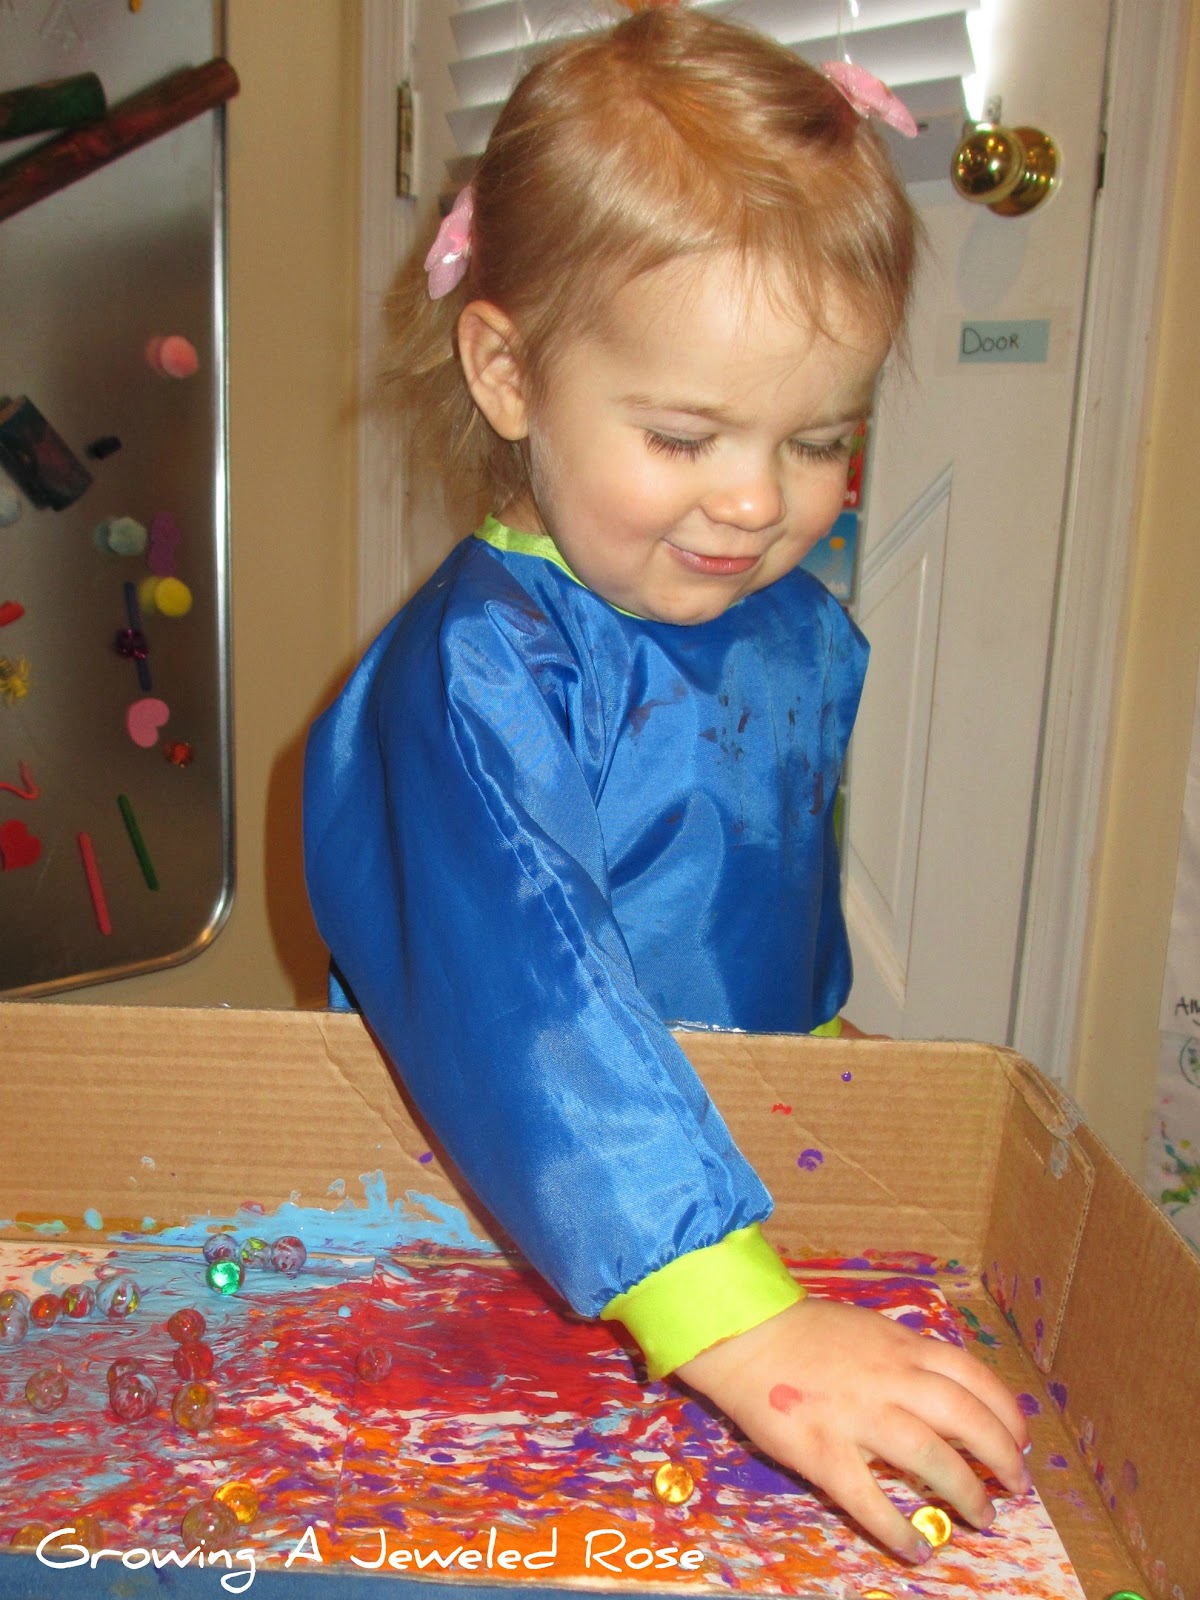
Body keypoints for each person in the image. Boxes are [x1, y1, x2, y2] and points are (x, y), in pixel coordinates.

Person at [303, 5, 1030, 1565]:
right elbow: (528, 994)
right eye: (685, 435)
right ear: (507, 371)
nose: (761, 500)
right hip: (523, 1210)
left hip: (729, 1190)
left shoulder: (787, 627)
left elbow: (762, 878)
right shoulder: (479, 675)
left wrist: (828, 1057)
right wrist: (743, 1326)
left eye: (824, 437)